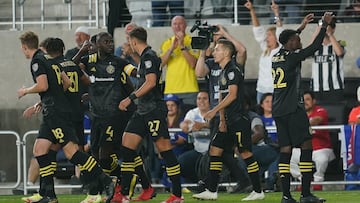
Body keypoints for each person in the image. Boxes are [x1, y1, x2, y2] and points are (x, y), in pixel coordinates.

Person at [18, 33, 116, 203]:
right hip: (56, 111)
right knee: (40, 149)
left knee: (72, 153)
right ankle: (48, 195)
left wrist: (25, 91)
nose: (23, 52)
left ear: (26, 47)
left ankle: (106, 181)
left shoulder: (38, 61)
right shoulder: (51, 60)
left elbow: (43, 85)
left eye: (23, 48)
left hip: (57, 114)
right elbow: (67, 83)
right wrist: (49, 99)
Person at [78, 32, 154, 203]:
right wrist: (82, 52)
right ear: (96, 44)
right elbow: (72, 67)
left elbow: (135, 72)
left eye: (111, 41)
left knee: (106, 157)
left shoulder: (118, 62)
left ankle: (110, 186)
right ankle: (136, 182)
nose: (110, 44)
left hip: (116, 115)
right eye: (105, 41)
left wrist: (151, 71)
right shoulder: (90, 61)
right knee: (108, 156)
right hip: (97, 116)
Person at [271, 12, 334, 203]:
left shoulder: (277, 56)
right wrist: (324, 25)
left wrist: (301, 27)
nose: (300, 41)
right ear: (291, 42)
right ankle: (306, 194)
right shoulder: (292, 57)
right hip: (293, 108)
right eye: (297, 39)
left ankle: (286, 196)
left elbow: (287, 40)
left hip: (278, 109)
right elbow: (314, 47)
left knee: (285, 150)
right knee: (306, 145)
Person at [192, 39, 264, 201]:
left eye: (217, 50)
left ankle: (258, 191)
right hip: (228, 121)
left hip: (239, 119)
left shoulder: (233, 70)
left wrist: (213, 111)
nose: (214, 52)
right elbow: (221, 96)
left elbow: (231, 95)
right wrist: (222, 119)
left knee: (245, 153)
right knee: (215, 151)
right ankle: (211, 190)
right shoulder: (223, 71)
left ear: (226, 53)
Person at [118, 26, 183, 203]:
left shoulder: (148, 57)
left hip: (153, 109)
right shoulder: (147, 57)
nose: (128, 43)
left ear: (134, 41)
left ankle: (177, 195)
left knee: (165, 150)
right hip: (142, 110)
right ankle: (134, 191)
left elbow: (151, 82)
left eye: (129, 40)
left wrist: (130, 98)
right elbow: (157, 66)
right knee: (127, 145)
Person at [245, 0, 312, 104]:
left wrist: (276, 13)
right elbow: (257, 30)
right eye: (266, 36)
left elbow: (280, 29)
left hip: (275, 90)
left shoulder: (281, 49)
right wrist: (252, 10)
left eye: (269, 35)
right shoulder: (265, 49)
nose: (266, 38)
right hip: (261, 89)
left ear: (276, 37)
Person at [290, 91, 336, 191]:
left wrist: (300, 123)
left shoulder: (320, 110)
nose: (305, 102)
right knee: (288, 158)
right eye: (303, 100)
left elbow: (316, 120)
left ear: (313, 101)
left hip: (321, 148)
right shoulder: (297, 113)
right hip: (302, 147)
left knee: (321, 159)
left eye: (307, 99)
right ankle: (303, 180)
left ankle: (317, 182)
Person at [160, 15, 199, 106]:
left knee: (189, 119)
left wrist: (182, 46)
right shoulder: (167, 43)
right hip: (171, 89)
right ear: (171, 26)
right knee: (171, 119)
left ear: (185, 25)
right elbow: (160, 64)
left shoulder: (192, 41)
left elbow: (193, 64)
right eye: (175, 24)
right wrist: (171, 48)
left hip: (190, 88)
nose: (177, 26)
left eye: (180, 24)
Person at [310, 17, 346, 103]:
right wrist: (318, 30)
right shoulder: (316, 46)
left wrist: (330, 34)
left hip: (335, 87)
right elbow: (308, 50)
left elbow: (340, 52)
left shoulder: (340, 43)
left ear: (333, 28)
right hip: (317, 87)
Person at [179, 91, 212, 183]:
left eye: (205, 98)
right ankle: (197, 183)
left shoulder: (215, 111)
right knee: (182, 162)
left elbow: (219, 124)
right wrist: (183, 125)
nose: (201, 101)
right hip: (198, 150)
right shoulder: (193, 113)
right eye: (199, 99)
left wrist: (203, 125)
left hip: (214, 151)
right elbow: (185, 123)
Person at [258, 93, 280, 192]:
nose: (270, 104)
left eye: (272, 101)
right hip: (263, 149)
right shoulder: (258, 120)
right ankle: (269, 181)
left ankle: (270, 182)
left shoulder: (280, 118)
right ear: (261, 104)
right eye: (267, 101)